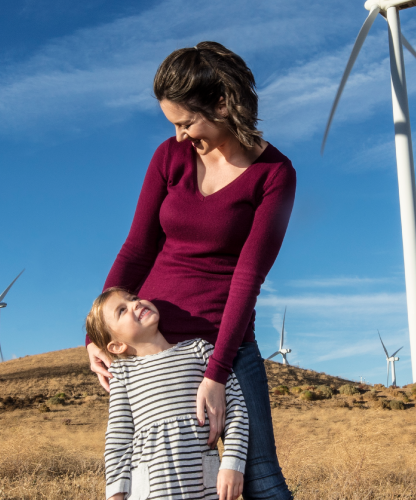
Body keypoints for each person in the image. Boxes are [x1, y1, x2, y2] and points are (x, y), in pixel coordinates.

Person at [86, 41, 296, 499]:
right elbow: (137, 248)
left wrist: (217, 373)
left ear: (222, 103)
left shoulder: (275, 174)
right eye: (173, 125)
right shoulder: (170, 156)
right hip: (151, 351)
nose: (180, 136)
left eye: (186, 122)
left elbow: (247, 276)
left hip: (224, 347)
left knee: (260, 477)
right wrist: (97, 337)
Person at [86, 287, 248, 500]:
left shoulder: (200, 350)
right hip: (150, 492)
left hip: (204, 486)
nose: (136, 303)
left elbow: (236, 407)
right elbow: (118, 437)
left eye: (133, 298)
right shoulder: (122, 373)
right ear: (116, 346)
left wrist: (233, 464)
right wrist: (115, 493)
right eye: (122, 310)